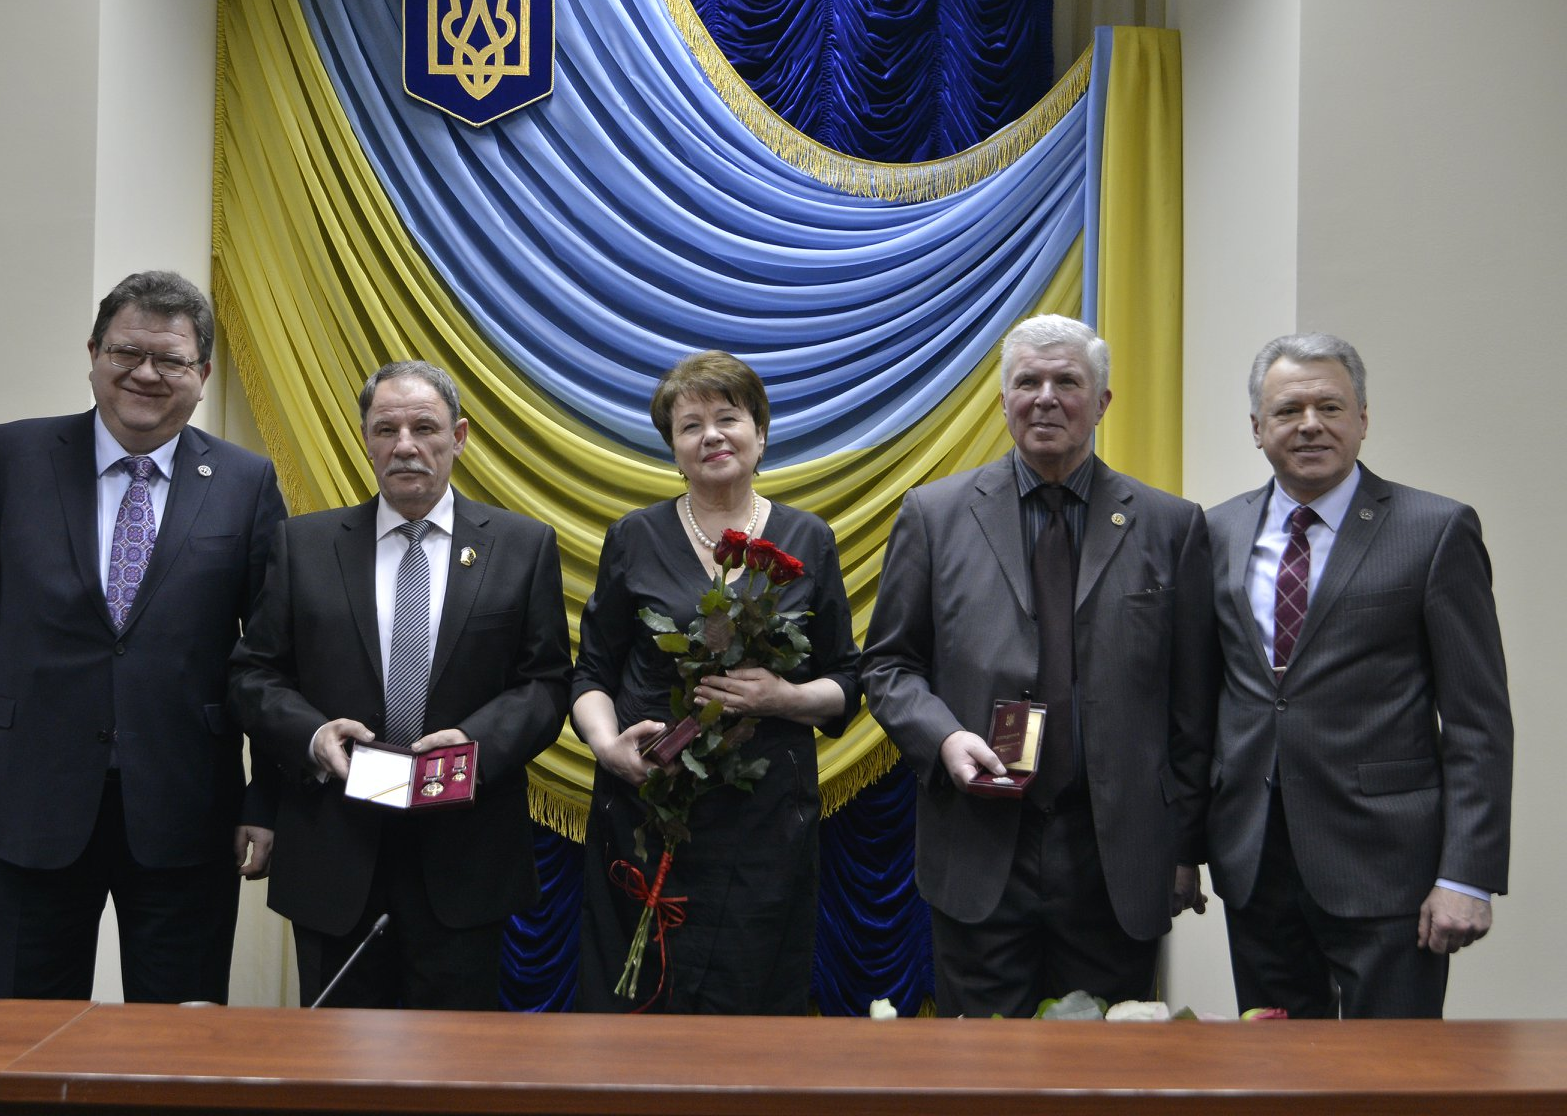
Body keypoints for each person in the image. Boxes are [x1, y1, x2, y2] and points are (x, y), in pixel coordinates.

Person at [0, 270, 285, 1003]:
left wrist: (266, 800)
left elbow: (272, 656)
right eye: (126, 352)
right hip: (25, 801)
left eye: (170, 359)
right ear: (93, 355)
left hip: (189, 809)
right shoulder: (12, 457)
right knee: (28, 1038)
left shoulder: (246, 482)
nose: (146, 373)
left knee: (177, 1043)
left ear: (202, 375)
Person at [862, 314, 1215, 1018]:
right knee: (980, 1067)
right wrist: (944, 738)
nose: (1046, 398)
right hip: (981, 843)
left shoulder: (1171, 526)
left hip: (1113, 857)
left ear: (1102, 402)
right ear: (1004, 401)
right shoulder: (934, 515)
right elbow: (889, 667)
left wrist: (1184, 848)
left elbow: (1194, 705)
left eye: (1067, 382)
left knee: (1108, 1065)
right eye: (1028, 382)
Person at [229, 360, 570, 1009]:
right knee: (337, 1058)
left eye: (424, 428)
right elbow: (254, 674)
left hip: (465, 857)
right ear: (366, 440)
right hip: (336, 852)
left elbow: (547, 683)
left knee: (455, 1060)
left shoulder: (522, 546)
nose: (405, 445)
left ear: (459, 437)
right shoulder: (305, 545)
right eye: (386, 429)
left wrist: (474, 744)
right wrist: (313, 735)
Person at [1205, 333, 1512, 1019]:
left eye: (1330, 407)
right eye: (1288, 410)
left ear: (1363, 419)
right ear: (1257, 427)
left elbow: (1478, 721)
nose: (1310, 424)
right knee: (1274, 1068)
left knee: (1392, 1072)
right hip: (1255, 865)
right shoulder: (1216, 532)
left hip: (1390, 870)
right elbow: (1202, 702)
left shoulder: (1434, 530)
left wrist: (1468, 874)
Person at [572, 350, 861, 1014]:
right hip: (647, 808)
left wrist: (786, 698)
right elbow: (591, 672)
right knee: (637, 1003)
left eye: (728, 418)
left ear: (760, 433)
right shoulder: (634, 536)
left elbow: (846, 679)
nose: (711, 436)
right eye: (690, 426)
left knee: (753, 1004)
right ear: (674, 449)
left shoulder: (808, 538)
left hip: (765, 825)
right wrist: (607, 747)